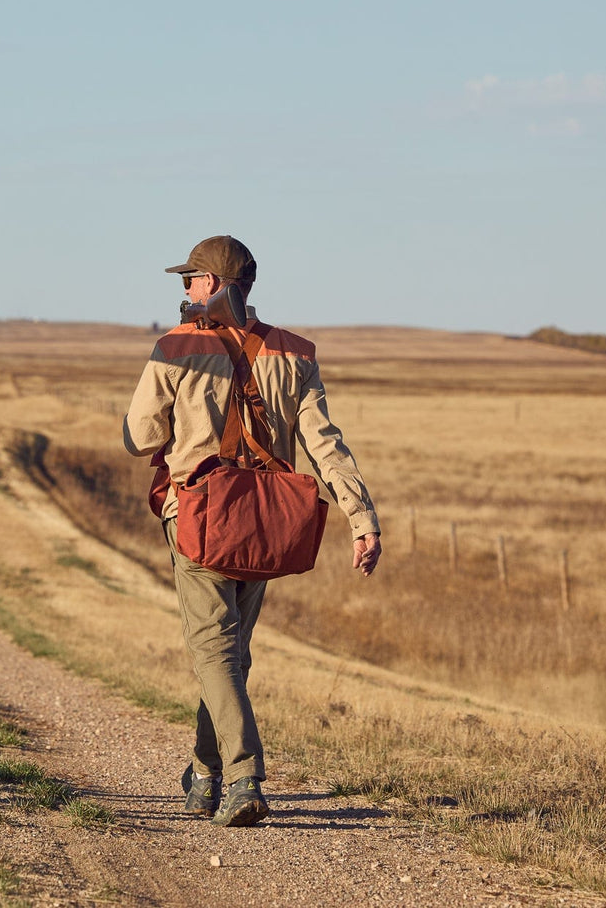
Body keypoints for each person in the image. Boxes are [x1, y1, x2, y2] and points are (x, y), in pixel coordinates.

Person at [123, 235, 381, 827]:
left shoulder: (176, 347)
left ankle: (243, 776)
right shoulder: (294, 353)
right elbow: (324, 445)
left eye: (189, 278)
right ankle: (204, 771)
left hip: (201, 517)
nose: (184, 288)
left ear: (212, 284)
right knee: (231, 654)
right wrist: (360, 518)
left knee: (214, 650)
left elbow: (139, 438)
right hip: (267, 520)